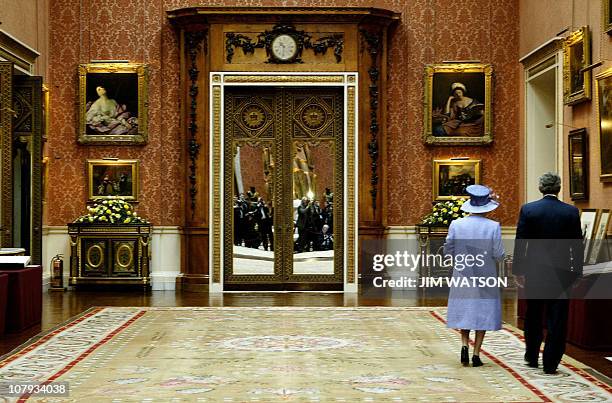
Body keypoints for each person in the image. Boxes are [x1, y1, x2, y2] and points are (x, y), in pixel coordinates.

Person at [512, 172, 583, 375]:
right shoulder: (570, 212)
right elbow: (576, 246)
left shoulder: (529, 210)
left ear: (541, 188)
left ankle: (532, 357)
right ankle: (551, 363)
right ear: (559, 188)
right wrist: (577, 271)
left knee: (533, 315)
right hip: (561, 273)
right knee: (557, 318)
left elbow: (521, 243)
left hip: (534, 271)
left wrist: (518, 270)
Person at [444, 185, 505, 367]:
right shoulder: (493, 226)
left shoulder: (457, 224)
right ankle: (477, 354)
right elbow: (499, 254)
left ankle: (464, 345)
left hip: (463, 272)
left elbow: (448, 249)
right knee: (482, 312)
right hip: (485, 273)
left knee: (465, 309)